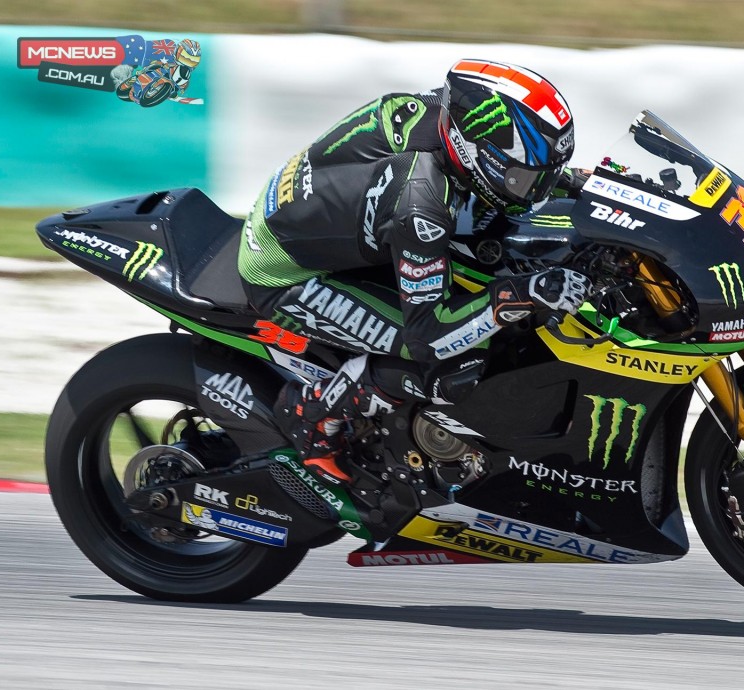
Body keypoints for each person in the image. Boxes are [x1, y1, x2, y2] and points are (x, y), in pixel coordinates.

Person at [237, 59, 591, 481]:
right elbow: (428, 335)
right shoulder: (421, 207)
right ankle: (315, 415)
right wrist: (522, 294)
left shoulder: (444, 114)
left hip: (317, 223)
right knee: (450, 365)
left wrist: (573, 181)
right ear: (472, 151)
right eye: (522, 179)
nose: (533, 192)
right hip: (283, 274)